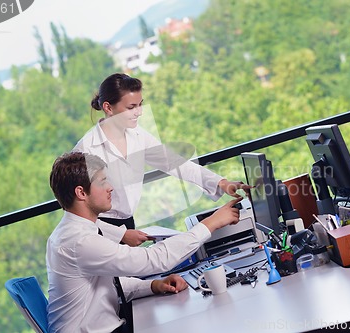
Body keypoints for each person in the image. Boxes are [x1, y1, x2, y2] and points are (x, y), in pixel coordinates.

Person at [46, 151, 241, 333]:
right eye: (102, 181)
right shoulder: (79, 241)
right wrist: (211, 223)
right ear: (81, 193)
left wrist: (154, 285)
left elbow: (108, 284)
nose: (110, 187)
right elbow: (152, 260)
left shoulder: (74, 231)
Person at [73, 73, 250, 246]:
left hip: (128, 225)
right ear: (108, 108)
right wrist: (120, 234)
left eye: (140, 105)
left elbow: (175, 164)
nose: (139, 112)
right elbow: (76, 213)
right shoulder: (85, 150)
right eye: (131, 107)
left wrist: (222, 183)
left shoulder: (138, 135)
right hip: (98, 230)